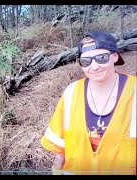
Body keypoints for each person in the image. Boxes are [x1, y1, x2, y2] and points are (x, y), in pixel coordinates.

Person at [40, 31, 136, 175]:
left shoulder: (134, 91)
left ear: (115, 56)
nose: (94, 66)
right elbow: (60, 150)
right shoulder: (71, 93)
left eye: (101, 58)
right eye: (86, 61)